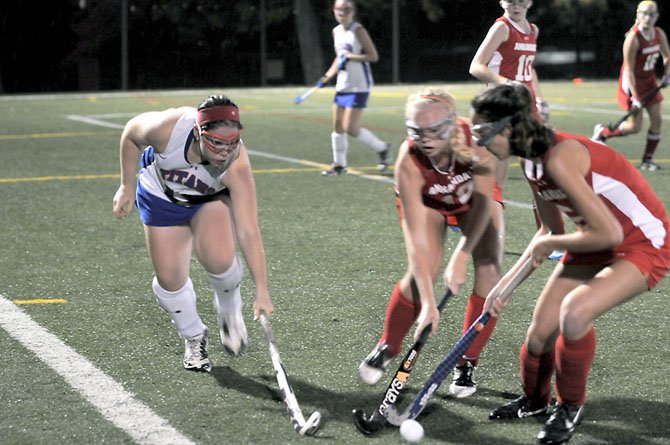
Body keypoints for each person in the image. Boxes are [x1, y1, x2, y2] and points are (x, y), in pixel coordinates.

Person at [471, 83, 670, 444]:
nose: (480, 142)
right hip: (592, 239)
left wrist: (550, 242)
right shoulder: (531, 161)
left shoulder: (559, 157)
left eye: (484, 132)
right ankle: (535, 401)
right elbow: (549, 230)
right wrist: (505, 286)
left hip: (643, 242)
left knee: (574, 313)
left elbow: (608, 233)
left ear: (511, 127)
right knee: (539, 333)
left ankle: (570, 406)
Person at [358, 89, 505, 399]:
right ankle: (389, 344)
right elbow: (415, 243)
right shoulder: (408, 161)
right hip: (430, 204)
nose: (425, 138)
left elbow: (482, 206)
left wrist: (462, 256)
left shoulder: (477, 141)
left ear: (452, 123)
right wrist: (428, 303)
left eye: (435, 130)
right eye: (417, 131)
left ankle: (466, 361)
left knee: (491, 272)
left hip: (474, 203)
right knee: (424, 270)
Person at [112, 95, 274, 372]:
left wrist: (262, 290)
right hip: (160, 196)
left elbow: (248, 230)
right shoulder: (168, 128)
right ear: (199, 132)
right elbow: (130, 134)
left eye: (233, 142)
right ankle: (194, 335)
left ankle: (229, 307)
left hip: (208, 201)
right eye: (216, 142)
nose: (225, 150)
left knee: (219, 258)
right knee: (169, 281)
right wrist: (126, 185)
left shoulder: (237, 166)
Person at [469, 0, 548, 188]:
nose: (516, 6)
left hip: (525, 102)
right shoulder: (501, 28)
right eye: (511, 2)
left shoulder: (533, 30)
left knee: (538, 153)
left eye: (521, 2)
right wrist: (507, 83)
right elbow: (476, 66)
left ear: (529, 3)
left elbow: (529, 68)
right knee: (501, 155)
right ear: (502, 2)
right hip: (502, 102)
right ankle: (494, 204)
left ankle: (542, 202)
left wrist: (540, 99)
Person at [592, 0, 670, 172]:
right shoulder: (633, 38)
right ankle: (603, 132)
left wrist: (666, 74)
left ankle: (647, 160)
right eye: (644, 13)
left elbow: (667, 57)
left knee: (657, 119)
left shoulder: (658, 34)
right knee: (635, 127)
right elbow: (629, 71)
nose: (647, 17)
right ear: (638, 14)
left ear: (656, 16)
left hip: (649, 81)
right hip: (632, 83)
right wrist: (635, 97)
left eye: (651, 14)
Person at [316, 0, 391, 176]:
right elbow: (338, 58)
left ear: (353, 11)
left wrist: (351, 56)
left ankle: (382, 148)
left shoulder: (358, 30)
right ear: (334, 11)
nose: (342, 11)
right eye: (339, 8)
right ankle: (339, 165)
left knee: (350, 127)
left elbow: (373, 56)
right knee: (337, 125)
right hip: (343, 84)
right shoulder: (336, 31)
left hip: (360, 85)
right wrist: (327, 76)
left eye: (346, 8)